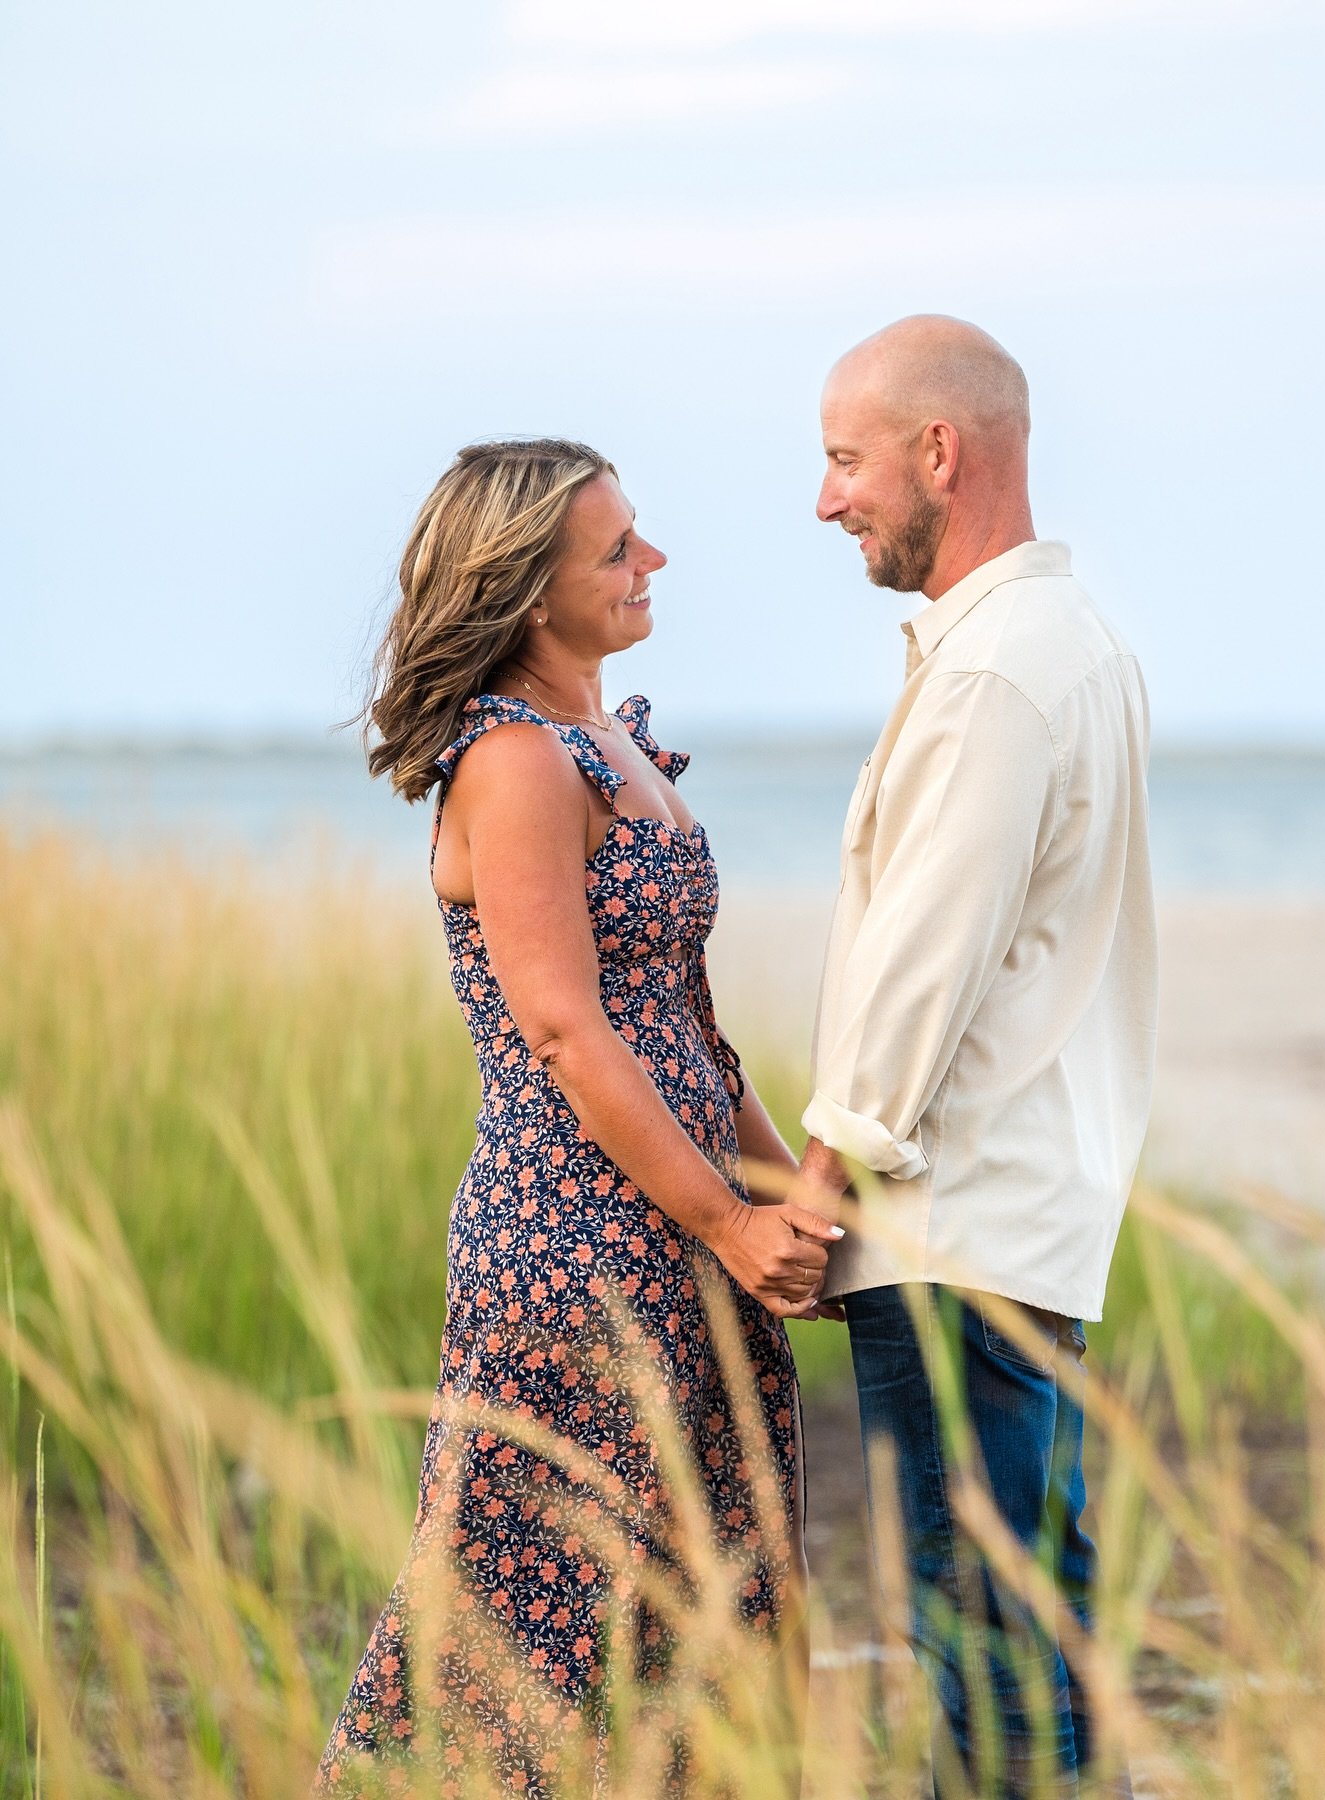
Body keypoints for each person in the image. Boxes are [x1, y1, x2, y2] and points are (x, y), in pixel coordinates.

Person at [315, 438, 841, 1796]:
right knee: (534, 1610)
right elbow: (562, 1029)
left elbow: (684, 1028)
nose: (651, 562)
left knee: (708, 1594)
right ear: (531, 593)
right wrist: (729, 1223)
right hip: (574, 1247)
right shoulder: (512, 762)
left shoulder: (610, 745)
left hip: (678, 1226)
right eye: (615, 549)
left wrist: (793, 1196)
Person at [795, 318, 1157, 1798]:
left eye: (843, 459)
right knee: (1034, 1628)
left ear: (940, 453)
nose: (827, 501)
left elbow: (917, 970)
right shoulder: (1057, 648)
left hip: (957, 1234)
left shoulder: (999, 671)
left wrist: (820, 1186)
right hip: (1022, 1224)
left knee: (983, 1646)